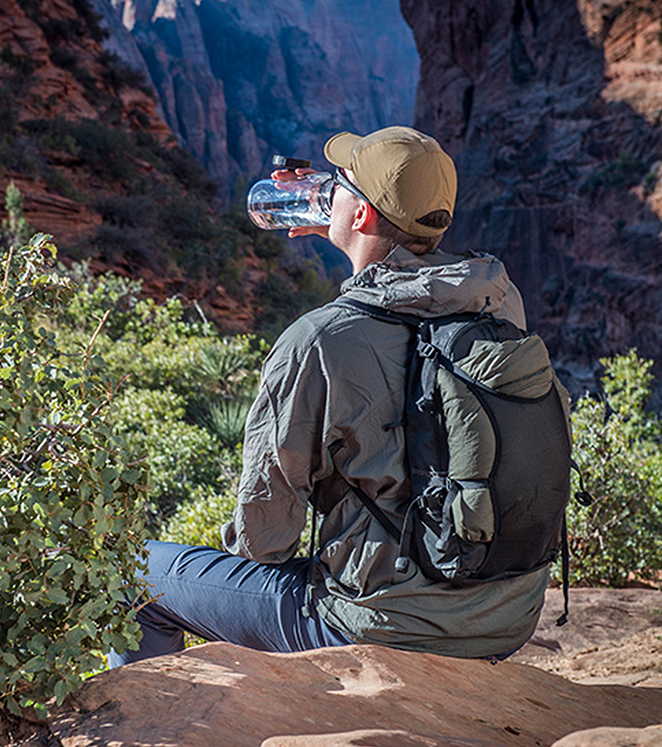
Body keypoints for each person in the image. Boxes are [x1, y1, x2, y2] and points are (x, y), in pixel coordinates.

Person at [109, 126, 546, 667]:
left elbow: (263, 543)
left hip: (382, 625)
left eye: (336, 182)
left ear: (360, 214)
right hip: (503, 617)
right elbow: (410, 296)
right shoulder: (499, 305)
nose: (324, 189)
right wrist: (350, 228)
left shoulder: (318, 340)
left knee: (134, 569)